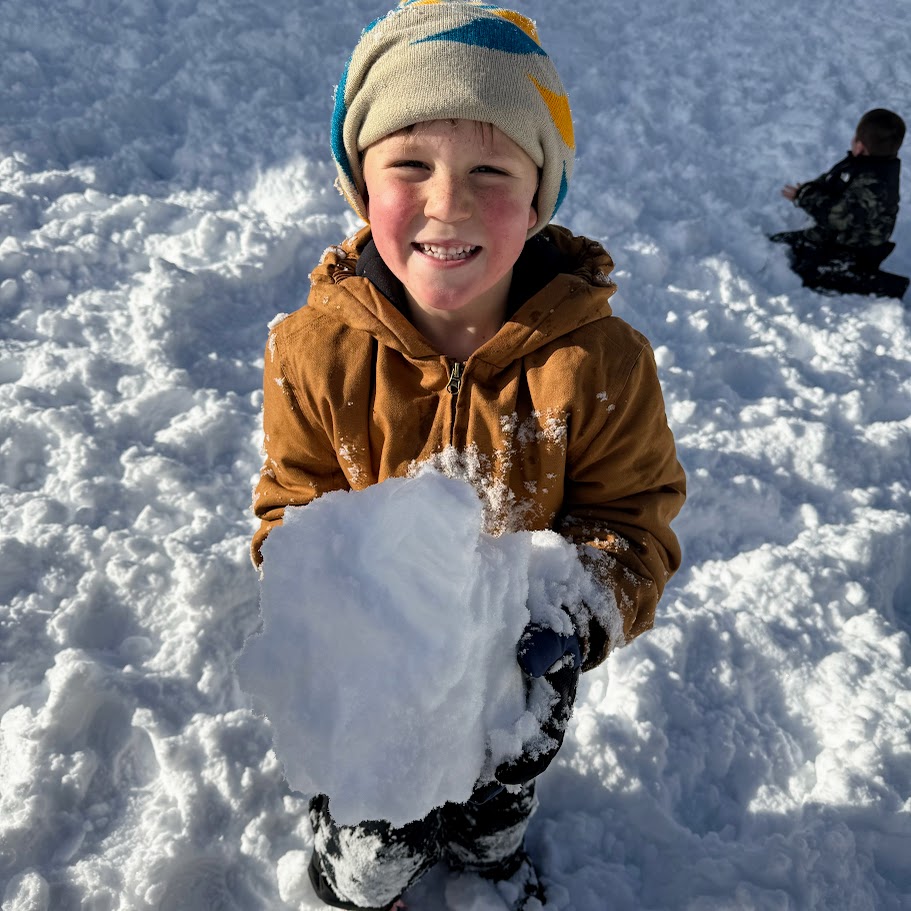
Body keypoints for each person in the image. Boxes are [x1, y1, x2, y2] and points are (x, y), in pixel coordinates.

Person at [250, 1, 686, 908]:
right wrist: (322, 611)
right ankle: (358, 872)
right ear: (359, 184)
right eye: (409, 163)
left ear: (538, 196)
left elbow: (629, 517)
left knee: (497, 795)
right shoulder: (312, 351)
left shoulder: (598, 363)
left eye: (490, 167)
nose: (446, 201)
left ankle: (490, 853)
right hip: (374, 671)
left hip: (515, 668)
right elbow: (292, 504)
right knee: (375, 838)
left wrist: (572, 617)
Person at [770, 108, 908, 300]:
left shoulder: (876, 185)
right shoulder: (862, 161)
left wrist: (805, 197)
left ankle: (885, 286)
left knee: (811, 274)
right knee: (780, 244)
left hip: (858, 247)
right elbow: (832, 181)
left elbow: (839, 217)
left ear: (859, 146)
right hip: (837, 234)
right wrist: (812, 189)